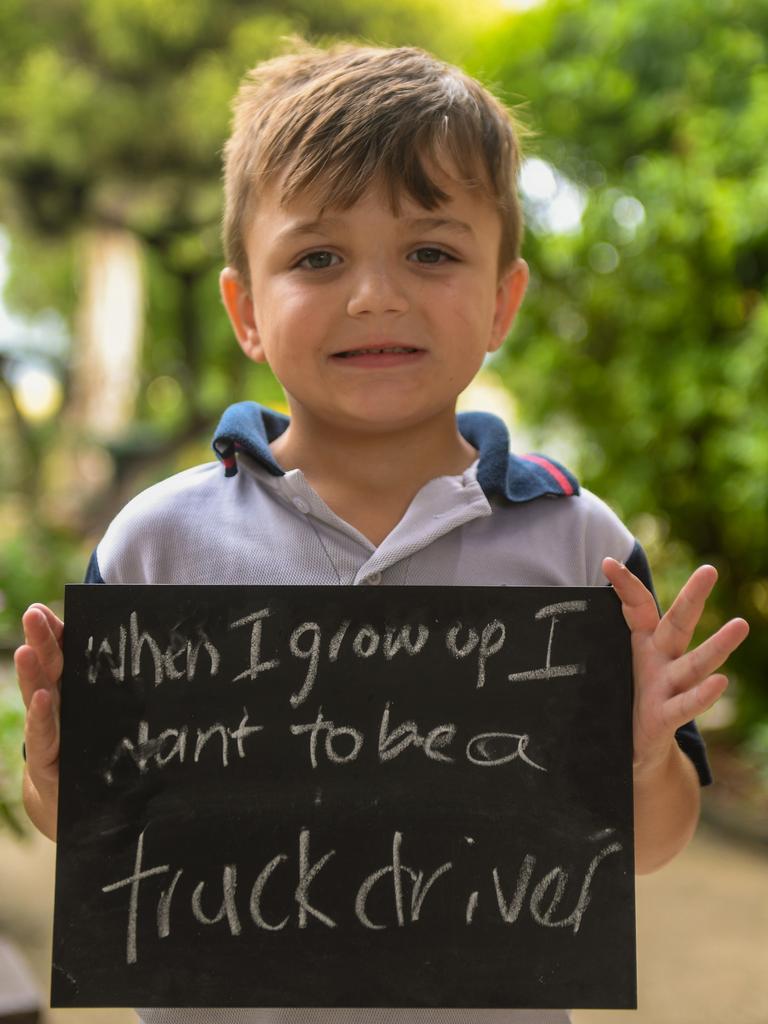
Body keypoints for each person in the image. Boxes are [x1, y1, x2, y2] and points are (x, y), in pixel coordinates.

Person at [14, 40, 748, 1024]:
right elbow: (88, 831)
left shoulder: (583, 548)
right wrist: (54, 779)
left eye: (431, 252)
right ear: (246, 311)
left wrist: (644, 759)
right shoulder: (156, 542)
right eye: (318, 257)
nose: (376, 295)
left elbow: (653, 843)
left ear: (502, 300)